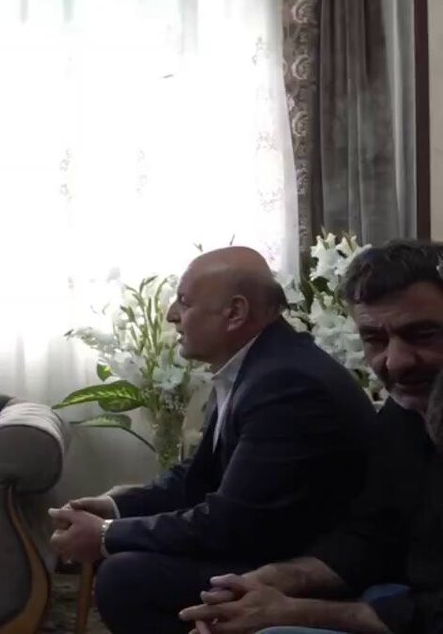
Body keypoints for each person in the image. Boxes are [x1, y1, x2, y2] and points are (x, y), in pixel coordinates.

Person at [48, 246, 376, 634]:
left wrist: (106, 535)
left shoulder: (287, 382)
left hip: (310, 565)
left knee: (127, 577)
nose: (171, 315)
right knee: (126, 560)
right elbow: (199, 475)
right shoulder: (257, 364)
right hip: (270, 539)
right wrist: (115, 507)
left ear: (235, 313)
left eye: (184, 302)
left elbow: (229, 521)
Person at [178, 240, 443, 634]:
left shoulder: (288, 380)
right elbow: (367, 539)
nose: (396, 362)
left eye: (422, 334)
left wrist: (291, 612)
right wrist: (264, 582)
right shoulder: (401, 415)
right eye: (374, 339)